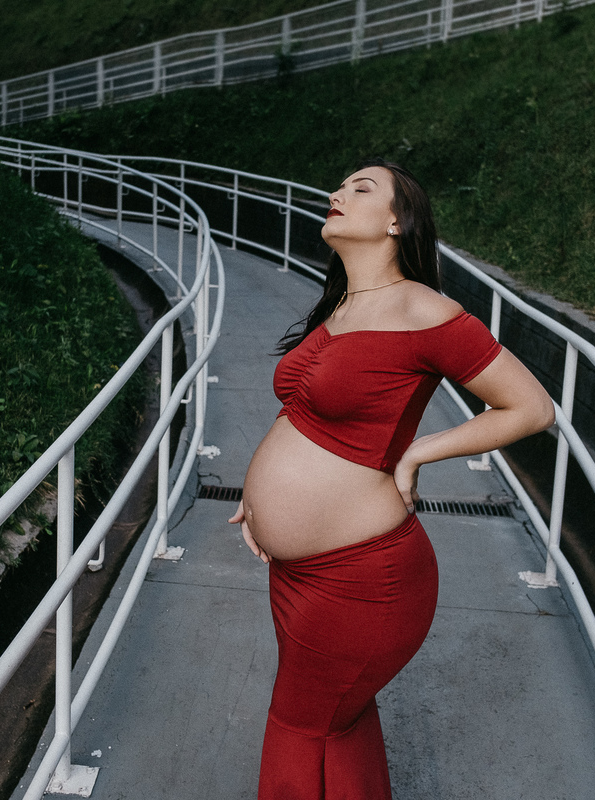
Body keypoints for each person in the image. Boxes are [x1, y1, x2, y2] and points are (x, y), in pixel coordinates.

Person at [228, 158, 556, 799]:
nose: (337, 194)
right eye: (339, 185)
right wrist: (258, 489)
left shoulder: (422, 308)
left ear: (397, 221)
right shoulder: (342, 305)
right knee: (338, 724)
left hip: (361, 580)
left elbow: (532, 407)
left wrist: (418, 452)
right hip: (300, 573)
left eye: (361, 188)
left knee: (299, 724)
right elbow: (309, 412)